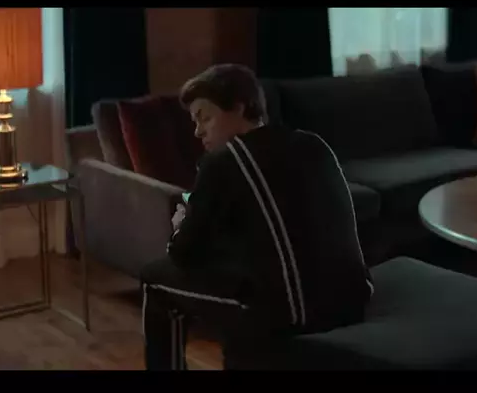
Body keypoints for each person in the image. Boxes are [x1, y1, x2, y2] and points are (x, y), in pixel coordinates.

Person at [141, 64, 373, 370]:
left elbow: (183, 254)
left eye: (205, 117)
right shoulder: (313, 143)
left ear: (239, 108)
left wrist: (179, 226)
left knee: (154, 279)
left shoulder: (223, 162)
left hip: (294, 315)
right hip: (354, 299)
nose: (198, 131)